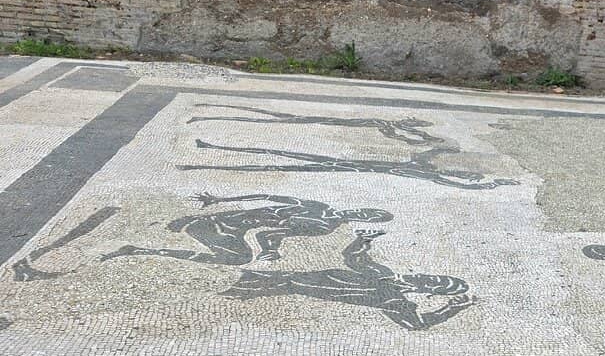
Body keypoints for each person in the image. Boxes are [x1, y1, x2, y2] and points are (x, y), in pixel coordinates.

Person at [223, 229, 476, 331]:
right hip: (282, 278)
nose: (429, 277)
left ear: (428, 291)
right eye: (438, 276)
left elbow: (416, 324)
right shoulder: (384, 274)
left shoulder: (395, 299)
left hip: (285, 285)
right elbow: (354, 258)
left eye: (436, 283)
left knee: (227, 290)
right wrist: (364, 240)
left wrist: (452, 308)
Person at [102, 193, 392, 265]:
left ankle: (140, 250)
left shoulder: (325, 226)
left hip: (227, 230)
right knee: (237, 258)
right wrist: (219, 201)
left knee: (238, 258)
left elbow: (269, 233)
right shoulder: (318, 208)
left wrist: (270, 251)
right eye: (367, 210)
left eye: (369, 216)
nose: (362, 213)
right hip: (216, 221)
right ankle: (138, 249)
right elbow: (266, 196)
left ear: (365, 220)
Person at [179, 140, 519, 190]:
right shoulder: (426, 166)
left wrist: (495, 184)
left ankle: (201, 168)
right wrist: (443, 147)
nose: (461, 173)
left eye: (465, 174)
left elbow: (455, 184)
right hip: (344, 161)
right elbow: (429, 155)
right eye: (465, 171)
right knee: (283, 153)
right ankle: (215, 147)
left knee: (282, 167)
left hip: (343, 169)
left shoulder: (431, 177)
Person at [187, 104, 443, 146]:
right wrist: (419, 138)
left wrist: (422, 137)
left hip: (325, 121)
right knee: (268, 116)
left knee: (270, 116)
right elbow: (397, 135)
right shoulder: (382, 123)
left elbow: (399, 133)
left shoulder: (386, 124)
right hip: (321, 120)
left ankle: (206, 116)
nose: (409, 121)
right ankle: (208, 115)